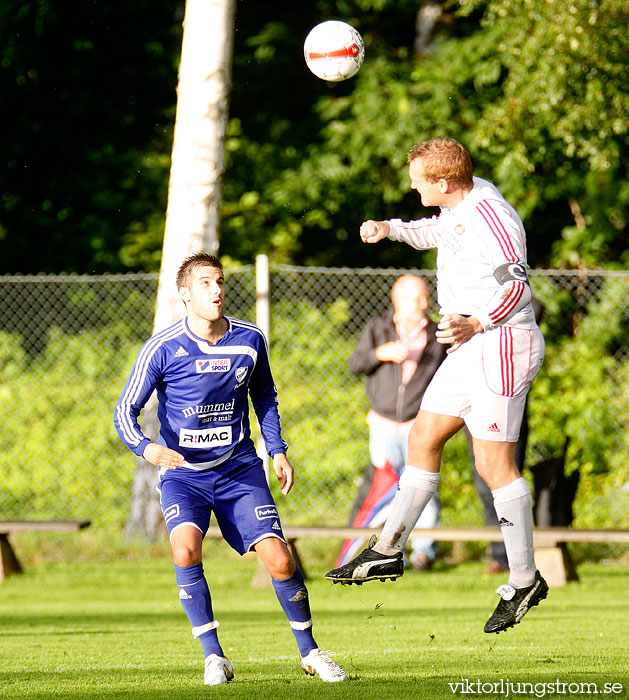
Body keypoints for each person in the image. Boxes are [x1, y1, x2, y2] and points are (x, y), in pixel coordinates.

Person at [325, 137, 548, 634]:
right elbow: (437, 232)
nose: (412, 184)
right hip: (468, 346)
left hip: (501, 343)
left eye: (418, 179)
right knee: (422, 439)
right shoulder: (458, 206)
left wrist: (479, 322)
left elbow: (518, 285)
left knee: (494, 464)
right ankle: (387, 550)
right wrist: (391, 229)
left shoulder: (494, 215)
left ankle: (526, 579)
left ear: (443, 183)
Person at [114, 253, 345, 685]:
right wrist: (146, 449)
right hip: (184, 475)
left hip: (239, 468)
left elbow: (266, 397)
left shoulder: (249, 339)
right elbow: (124, 410)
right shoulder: (162, 348)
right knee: (184, 550)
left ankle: (310, 651)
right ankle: (214, 657)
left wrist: (276, 450)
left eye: (219, 281)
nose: (217, 290)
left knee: (279, 559)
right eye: (205, 283)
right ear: (185, 294)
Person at [337, 275, 446, 571]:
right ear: (398, 300)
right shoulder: (378, 328)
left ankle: (423, 552)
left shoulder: (437, 333)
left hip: (419, 424)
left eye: (426, 297)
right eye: (417, 298)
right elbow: (355, 365)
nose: (425, 303)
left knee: (425, 488)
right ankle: (381, 549)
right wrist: (379, 354)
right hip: (383, 425)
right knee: (384, 488)